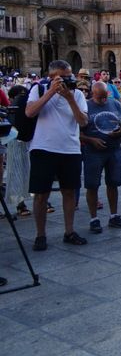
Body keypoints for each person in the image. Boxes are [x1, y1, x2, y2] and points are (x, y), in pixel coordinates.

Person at [25, 60, 89, 252]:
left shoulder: (77, 94)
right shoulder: (38, 89)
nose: (69, 79)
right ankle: (40, 235)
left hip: (70, 149)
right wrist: (51, 92)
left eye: (70, 75)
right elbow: (29, 112)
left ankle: (69, 231)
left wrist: (69, 98)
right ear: (51, 76)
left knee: (69, 192)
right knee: (41, 194)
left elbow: (83, 121)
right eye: (63, 76)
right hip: (43, 148)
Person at [80, 81, 121, 234]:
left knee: (113, 183)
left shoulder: (115, 104)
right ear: (92, 94)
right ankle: (94, 218)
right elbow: (77, 131)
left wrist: (120, 132)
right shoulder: (85, 106)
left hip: (113, 149)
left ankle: (114, 215)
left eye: (104, 97)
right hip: (93, 151)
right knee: (92, 185)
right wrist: (91, 140)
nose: (102, 101)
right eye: (99, 98)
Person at [6, 85, 32, 216]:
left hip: (18, 141)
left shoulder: (16, 104)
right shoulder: (23, 102)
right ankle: (20, 204)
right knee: (21, 172)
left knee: (18, 172)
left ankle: (21, 204)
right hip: (21, 141)